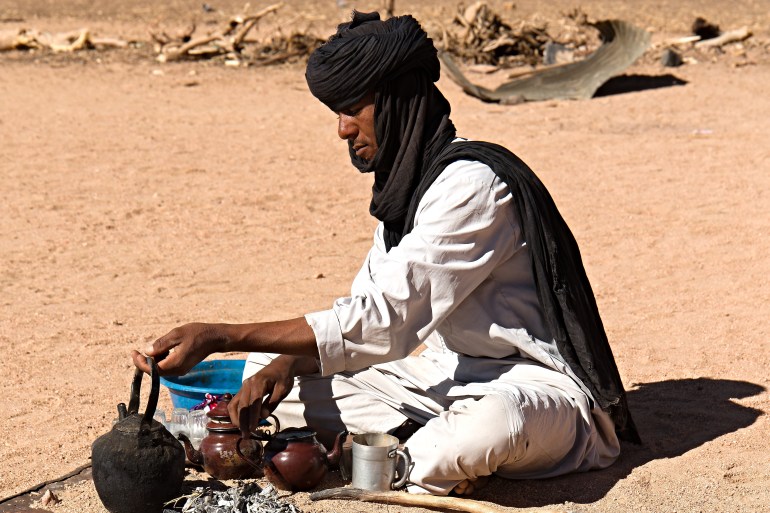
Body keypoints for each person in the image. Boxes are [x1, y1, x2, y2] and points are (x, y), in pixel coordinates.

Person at [132, 11, 639, 496]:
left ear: (396, 100)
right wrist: (280, 366)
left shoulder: (474, 186)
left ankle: (404, 461)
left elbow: (385, 322)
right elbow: (360, 315)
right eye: (337, 113)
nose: (342, 129)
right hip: (443, 379)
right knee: (260, 373)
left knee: (492, 424)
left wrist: (222, 334)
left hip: (535, 390)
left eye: (353, 107)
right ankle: (406, 446)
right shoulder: (407, 193)